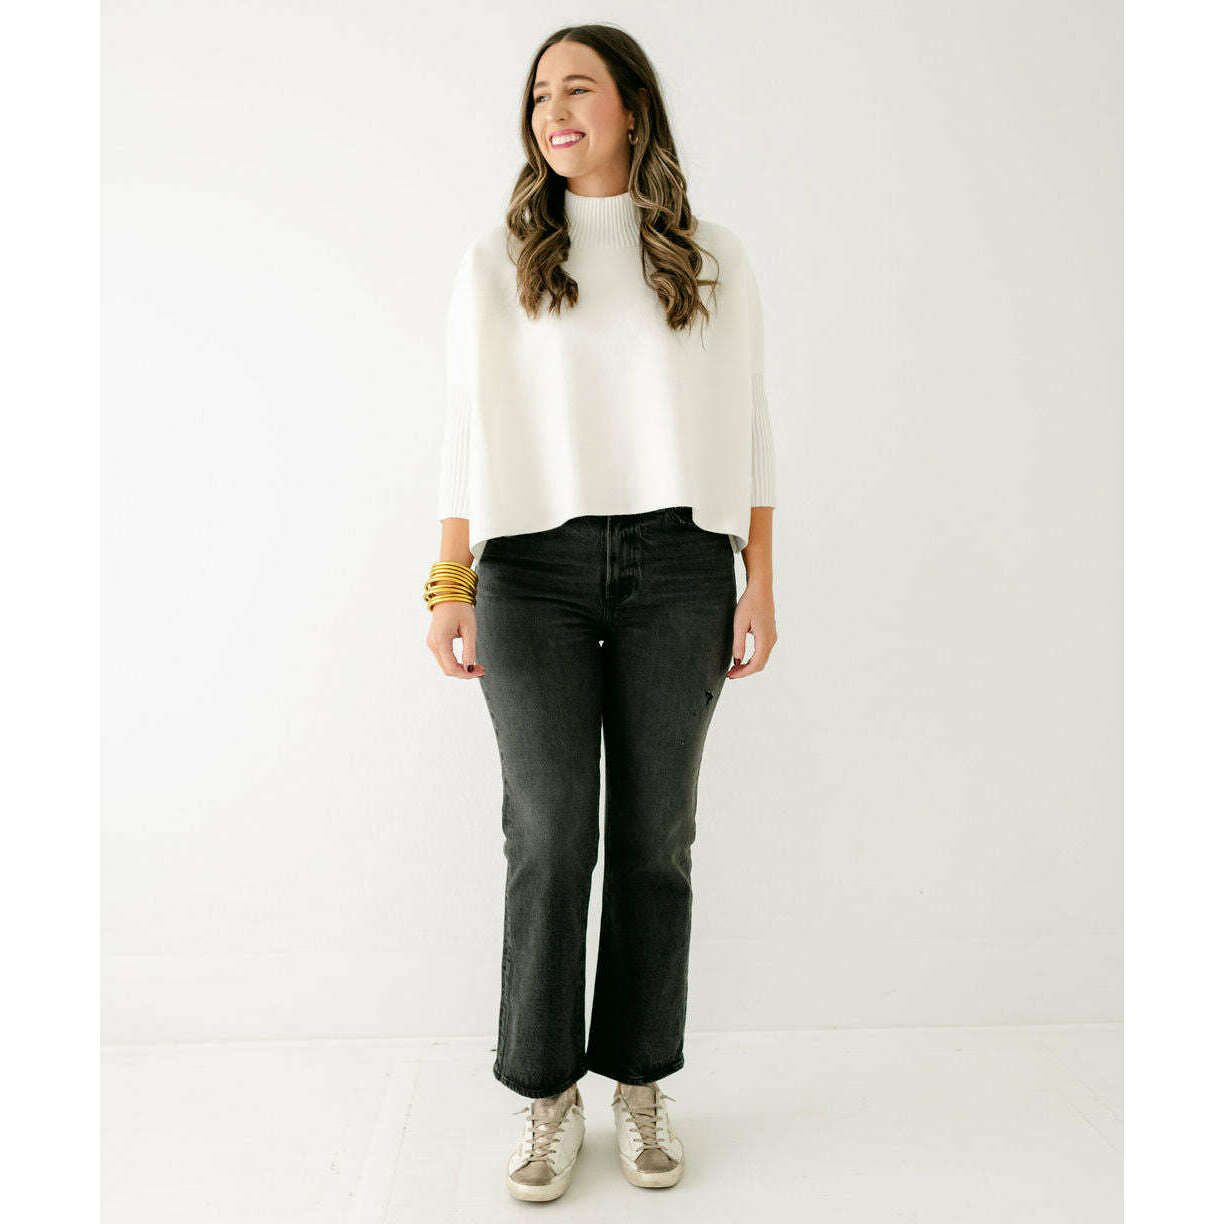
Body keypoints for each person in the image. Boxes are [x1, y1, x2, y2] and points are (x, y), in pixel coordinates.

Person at [423, 24, 778, 1201]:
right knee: (550, 832)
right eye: (539, 95)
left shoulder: (711, 257)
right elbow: (465, 426)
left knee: (655, 839)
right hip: (532, 572)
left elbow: (752, 419)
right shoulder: (502, 258)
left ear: (633, 106)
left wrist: (760, 577)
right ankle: (545, 1094)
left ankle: (639, 1082)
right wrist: (450, 583)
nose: (554, 112)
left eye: (578, 89)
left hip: (681, 565)